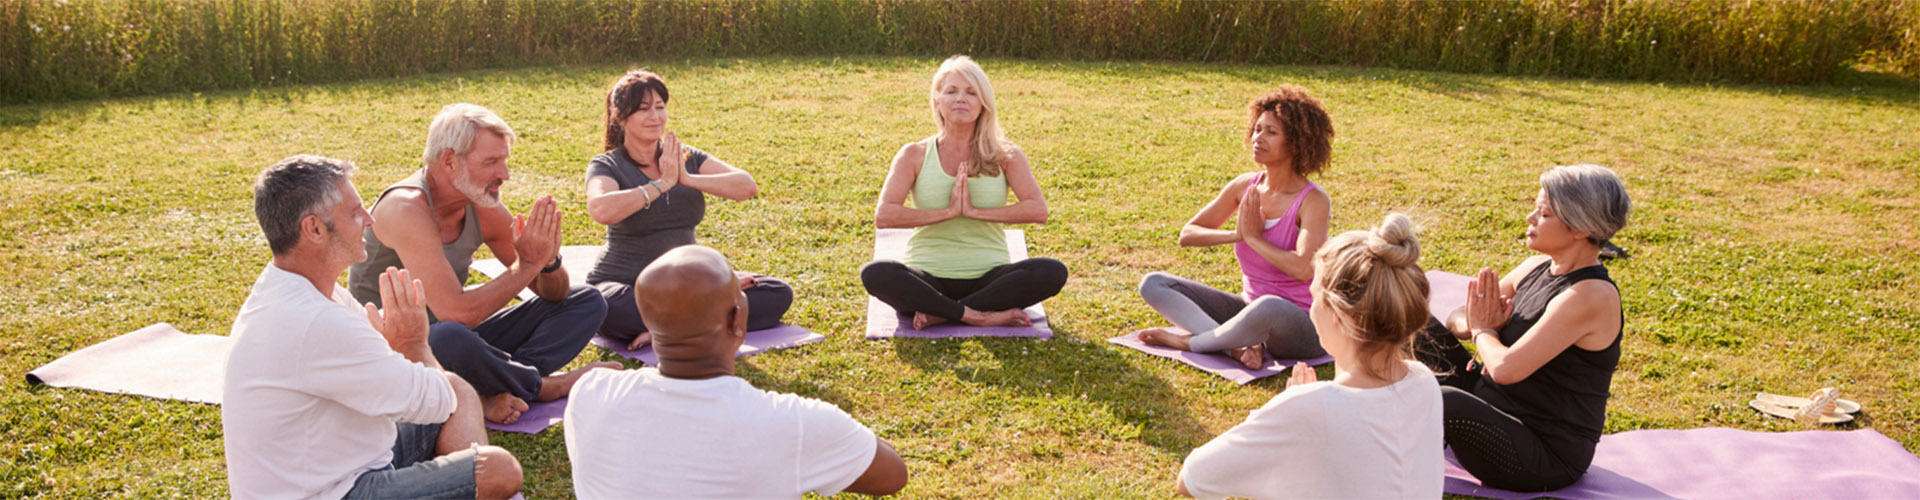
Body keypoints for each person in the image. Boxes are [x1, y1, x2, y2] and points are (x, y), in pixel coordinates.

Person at [226, 155, 522, 499]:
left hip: (347, 463)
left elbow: (420, 387)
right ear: (314, 229)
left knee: (459, 390)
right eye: (355, 212)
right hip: (334, 491)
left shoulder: (297, 288)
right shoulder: (315, 321)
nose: (369, 219)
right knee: (498, 468)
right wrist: (414, 344)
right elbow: (434, 401)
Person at [564, 245, 909, 498]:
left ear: (650, 323)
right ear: (737, 319)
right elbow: (891, 475)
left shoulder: (589, 393)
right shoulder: (794, 421)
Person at [348, 103, 616, 425]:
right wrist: (529, 263)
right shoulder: (405, 209)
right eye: (491, 162)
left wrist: (549, 260)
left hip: (461, 344)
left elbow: (554, 295)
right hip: (399, 354)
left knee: (586, 301)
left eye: (504, 161)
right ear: (449, 161)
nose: (504, 175)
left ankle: (499, 383)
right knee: (447, 336)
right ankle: (543, 385)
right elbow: (457, 312)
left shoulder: (479, 201)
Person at [1176, 213, 1443, 499]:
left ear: (1340, 316)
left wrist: (1292, 406)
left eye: (1315, 298)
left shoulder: (1310, 406)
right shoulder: (1423, 381)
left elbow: (1193, 478)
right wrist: (1307, 408)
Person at [1417, 164, 1630, 491]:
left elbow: (1504, 369)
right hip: (1489, 401)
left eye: (1544, 214)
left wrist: (1484, 331)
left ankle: (1382, 473)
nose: (1530, 218)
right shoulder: (1535, 267)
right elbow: (1458, 317)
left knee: (1445, 400)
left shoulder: (1589, 296)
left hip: (1540, 452)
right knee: (1411, 322)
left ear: (1579, 227)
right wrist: (1480, 322)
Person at [584, 69, 793, 350]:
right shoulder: (607, 165)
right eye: (643, 109)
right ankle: (699, 321)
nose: (655, 117)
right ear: (620, 117)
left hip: (686, 285)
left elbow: (746, 186)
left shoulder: (685, 157)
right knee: (603, 307)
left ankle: (667, 329)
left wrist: (687, 179)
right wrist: (660, 185)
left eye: (660, 107)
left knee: (777, 294)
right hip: (626, 285)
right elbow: (602, 209)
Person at [860, 55, 1068, 330]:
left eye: (971, 92)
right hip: (927, 278)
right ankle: (978, 314)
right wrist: (947, 213)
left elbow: (1037, 211)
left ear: (983, 104)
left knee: (1051, 271)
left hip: (990, 277)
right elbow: (884, 216)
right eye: (951, 91)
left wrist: (974, 212)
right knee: (876, 273)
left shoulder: (1006, 154)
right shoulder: (914, 154)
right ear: (937, 100)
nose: (961, 98)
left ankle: (943, 314)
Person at [1136, 85, 1336, 370]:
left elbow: (1303, 268)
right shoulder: (1245, 186)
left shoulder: (1313, 201)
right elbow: (1188, 234)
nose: (1258, 138)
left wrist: (1254, 239)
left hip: (1301, 324)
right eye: (1257, 129)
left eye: (1271, 132)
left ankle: (1191, 342)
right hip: (1248, 311)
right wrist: (1238, 235)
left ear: (1296, 142)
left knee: (1268, 305)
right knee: (1154, 283)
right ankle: (1237, 347)